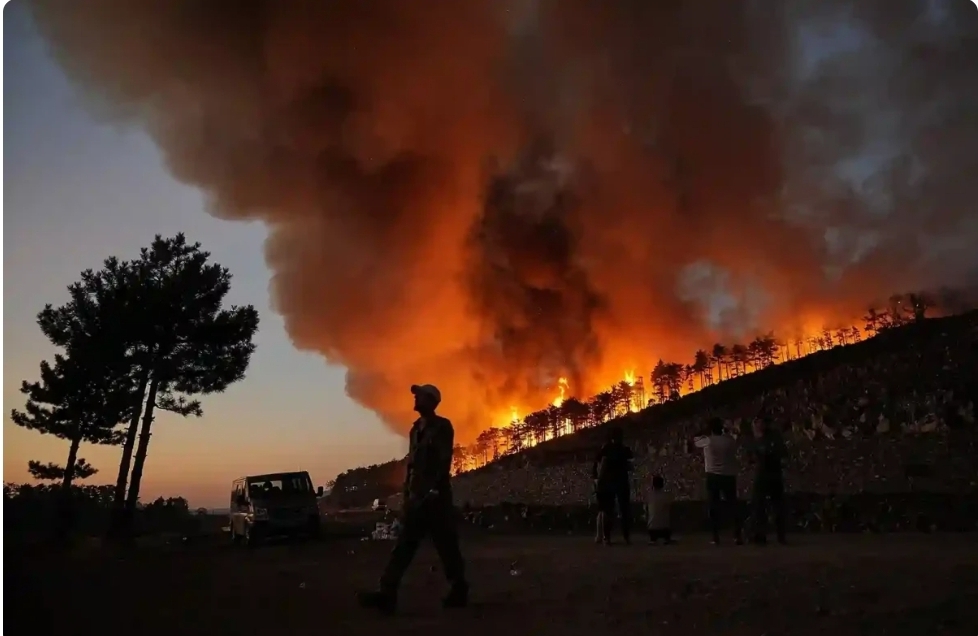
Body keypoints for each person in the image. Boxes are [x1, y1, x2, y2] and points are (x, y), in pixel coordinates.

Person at [357, 384, 468, 615]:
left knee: (447, 547)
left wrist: (432, 491)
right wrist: (408, 495)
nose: (415, 398)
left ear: (432, 401)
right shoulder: (415, 429)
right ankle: (387, 594)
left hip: (435, 500)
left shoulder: (442, 426)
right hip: (417, 499)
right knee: (403, 547)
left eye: (420, 396)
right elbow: (412, 467)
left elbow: (442, 462)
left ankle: (459, 590)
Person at [693, 417, 743, 545]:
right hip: (728, 475)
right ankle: (737, 535)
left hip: (713, 475)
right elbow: (737, 438)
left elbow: (694, 440)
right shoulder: (729, 440)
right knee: (732, 505)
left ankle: (715, 536)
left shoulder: (707, 441)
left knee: (714, 506)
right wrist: (729, 430)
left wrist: (703, 430)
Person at [748, 417, 787, 545]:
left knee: (776, 506)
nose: (755, 425)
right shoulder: (757, 438)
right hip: (763, 475)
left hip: (772, 474)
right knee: (759, 506)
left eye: (757, 422)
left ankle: (780, 535)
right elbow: (752, 456)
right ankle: (760, 535)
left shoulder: (773, 437)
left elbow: (782, 453)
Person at [592, 426, 634, 545]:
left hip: (608, 483)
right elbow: (631, 466)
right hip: (621, 482)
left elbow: (598, 463)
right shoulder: (625, 450)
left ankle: (607, 538)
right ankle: (626, 537)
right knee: (624, 510)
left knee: (608, 511)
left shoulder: (606, 448)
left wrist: (597, 478)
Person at [646, 475, 674, 545]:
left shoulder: (650, 496)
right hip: (664, 528)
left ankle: (653, 539)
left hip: (652, 529)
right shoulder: (666, 496)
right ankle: (666, 539)